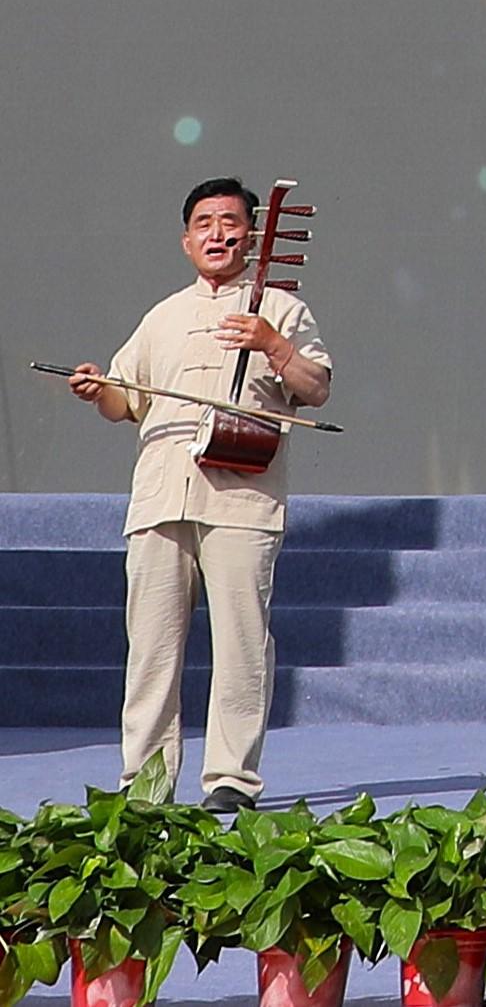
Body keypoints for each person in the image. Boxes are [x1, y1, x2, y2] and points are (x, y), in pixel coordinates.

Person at [63, 178, 333, 811]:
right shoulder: (162, 316)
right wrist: (97, 388)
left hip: (243, 498)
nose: (217, 234)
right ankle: (145, 784)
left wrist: (272, 344)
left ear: (251, 235)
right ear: (186, 241)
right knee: (151, 647)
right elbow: (125, 401)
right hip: (161, 498)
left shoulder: (282, 308)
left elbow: (316, 388)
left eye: (230, 222)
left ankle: (231, 779)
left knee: (241, 641)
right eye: (204, 224)